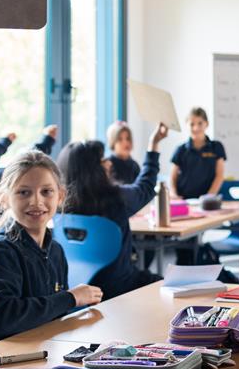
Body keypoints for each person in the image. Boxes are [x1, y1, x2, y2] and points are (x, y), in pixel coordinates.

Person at [0, 151, 102, 347]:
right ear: (5, 199)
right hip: (0, 359)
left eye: (46, 191)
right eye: (24, 192)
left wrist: (71, 302)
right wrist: (71, 298)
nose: (36, 201)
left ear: (60, 196)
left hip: (42, 350)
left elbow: (52, 316)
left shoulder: (55, 251)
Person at [57, 123, 168, 299]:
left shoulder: (58, 209)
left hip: (77, 290)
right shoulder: (116, 199)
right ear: (94, 170)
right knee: (169, 287)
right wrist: (153, 145)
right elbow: (146, 187)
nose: (108, 162)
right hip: (121, 287)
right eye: (103, 160)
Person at [170, 107, 225, 200]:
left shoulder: (216, 147)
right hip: (183, 199)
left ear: (206, 124)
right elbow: (173, 177)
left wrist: (209, 196)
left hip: (208, 200)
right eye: (192, 124)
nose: (196, 128)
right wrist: (174, 194)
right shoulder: (180, 150)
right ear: (187, 125)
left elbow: (219, 175)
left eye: (200, 123)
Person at [104, 120, 140, 185]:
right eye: (120, 139)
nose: (125, 142)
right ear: (113, 143)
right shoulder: (108, 164)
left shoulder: (135, 166)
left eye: (128, 138)